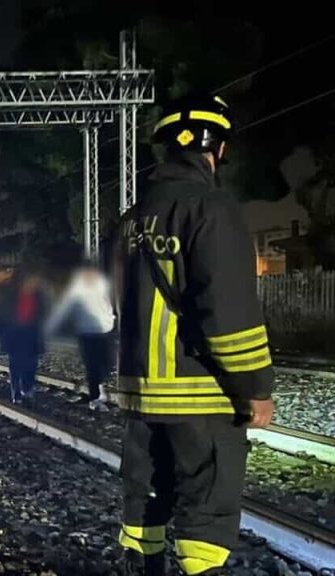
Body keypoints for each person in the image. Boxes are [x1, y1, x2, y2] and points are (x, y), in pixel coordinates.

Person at [114, 95, 275, 576]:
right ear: (218, 149)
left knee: (145, 502)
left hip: (141, 395)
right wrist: (255, 387)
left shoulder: (131, 219)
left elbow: (121, 302)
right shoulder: (210, 208)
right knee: (205, 510)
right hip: (200, 395)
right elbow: (227, 311)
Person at [44, 261, 116, 411]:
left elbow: (109, 302)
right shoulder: (76, 288)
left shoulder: (102, 284)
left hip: (104, 328)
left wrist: (111, 317)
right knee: (92, 365)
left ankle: (99, 388)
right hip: (86, 331)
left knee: (105, 362)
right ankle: (95, 396)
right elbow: (64, 307)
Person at [2, 273, 45, 403]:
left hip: (31, 337)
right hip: (15, 337)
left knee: (31, 365)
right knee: (15, 367)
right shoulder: (9, 299)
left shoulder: (38, 298)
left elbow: (41, 319)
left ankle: (27, 389)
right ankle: (16, 394)